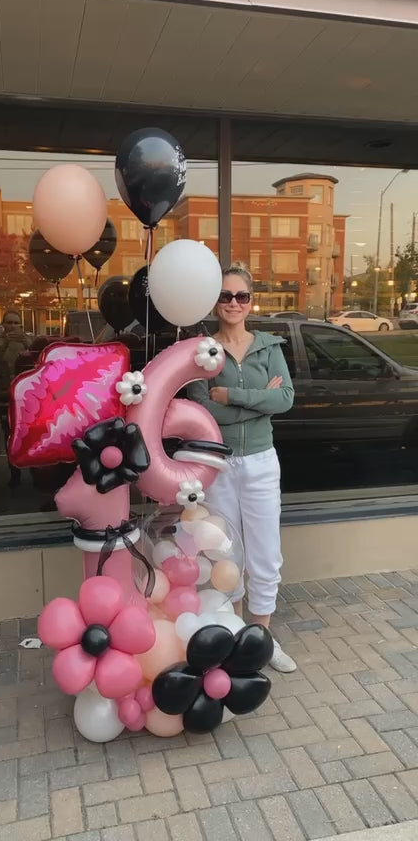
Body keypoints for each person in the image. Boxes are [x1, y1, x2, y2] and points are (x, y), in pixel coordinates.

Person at [188, 262, 296, 672]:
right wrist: (259, 401)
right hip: (219, 464)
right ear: (215, 302)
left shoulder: (269, 347)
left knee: (266, 553)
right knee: (225, 552)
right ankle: (234, 634)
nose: (234, 303)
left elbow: (284, 399)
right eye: (225, 296)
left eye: (242, 296)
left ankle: (261, 640)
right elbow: (201, 409)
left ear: (251, 302)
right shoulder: (202, 351)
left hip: (262, 463)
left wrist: (232, 396)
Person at [0, 310, 33, 486]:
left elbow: (40, 356)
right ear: (3, 324)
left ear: (21, 325)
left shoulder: (27, 340)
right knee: (9, 434)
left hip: (27, 394)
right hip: (5, 393)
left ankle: (35, 470)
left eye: (16, 323)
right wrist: (5, 343)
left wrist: (25, 342)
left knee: (31, 432)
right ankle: (15, 474)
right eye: (9, 323)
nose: (12, 326)